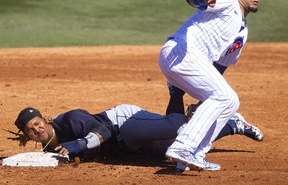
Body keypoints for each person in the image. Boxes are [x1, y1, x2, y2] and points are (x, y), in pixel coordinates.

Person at [158, 0, 269, 171]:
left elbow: (219, 68)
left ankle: (194, 154)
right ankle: (183, 147)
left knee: (230, 102)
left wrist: (204, 102)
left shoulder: (242, 32)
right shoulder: (229, 2)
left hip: (192, 60)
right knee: (224, 97)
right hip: (182, 51)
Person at [11, 103, 263, 171]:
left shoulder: (70, 119)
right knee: (179, 146)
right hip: (128, 150)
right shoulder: (47, 151)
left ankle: (188, 101)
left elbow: (104, 131)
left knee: (176, 127)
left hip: (124, 124)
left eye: (36, 123)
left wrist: (78, 144)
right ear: (27, 136)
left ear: (44, 119)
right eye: (30, 131)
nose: (36, 130)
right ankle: (233, 125)